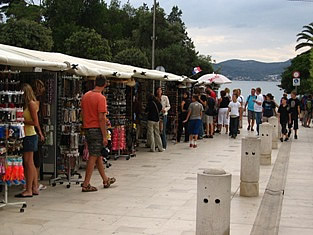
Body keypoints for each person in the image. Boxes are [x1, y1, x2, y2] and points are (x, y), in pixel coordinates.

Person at [81, 76, 116, 192]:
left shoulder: (85, 96)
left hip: (87, 128)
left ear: (95, 83)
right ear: (105, 84)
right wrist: (105, 135)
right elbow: (101, 118)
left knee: (96, 155)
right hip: (96, 129)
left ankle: (105, 179)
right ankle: (86, 184)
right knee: (93, 156)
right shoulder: (101, 98)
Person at [15, 84, 45, 198]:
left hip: (30, 135)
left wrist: (22, 121)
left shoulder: (31, 104)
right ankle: (33, 187)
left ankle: (29, 189)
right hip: (26, 135)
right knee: (28, 162)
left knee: (29, 162)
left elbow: (35, 122)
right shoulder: (25, 105)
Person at [32, 79, 47, 191]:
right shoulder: (35, 103)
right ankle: (35, 183)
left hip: (32, 132)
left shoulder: (29, 102)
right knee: (36, 159)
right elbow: (36, 120)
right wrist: (41, 133)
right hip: (35, 132)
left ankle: (32, 183)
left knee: (31, 159)